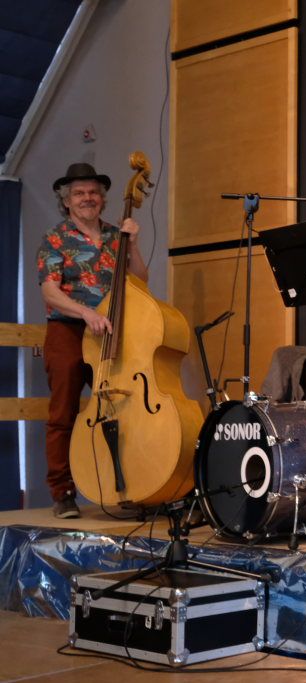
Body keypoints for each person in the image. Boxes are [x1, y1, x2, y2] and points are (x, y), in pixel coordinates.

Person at [37, 162, 148, 518]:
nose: (87, 198)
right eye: (79, 193)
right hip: (69, 330)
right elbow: (49, 291)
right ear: (66, 201)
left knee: (122, 410)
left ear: (102, 198)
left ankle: (127, 488)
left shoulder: (117, 235)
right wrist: (85, 313)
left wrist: (133, 244)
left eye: (93, 193)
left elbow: (140, 280)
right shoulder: (56, 237)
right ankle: (63, 492)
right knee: (64, 412)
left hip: (109, 332)